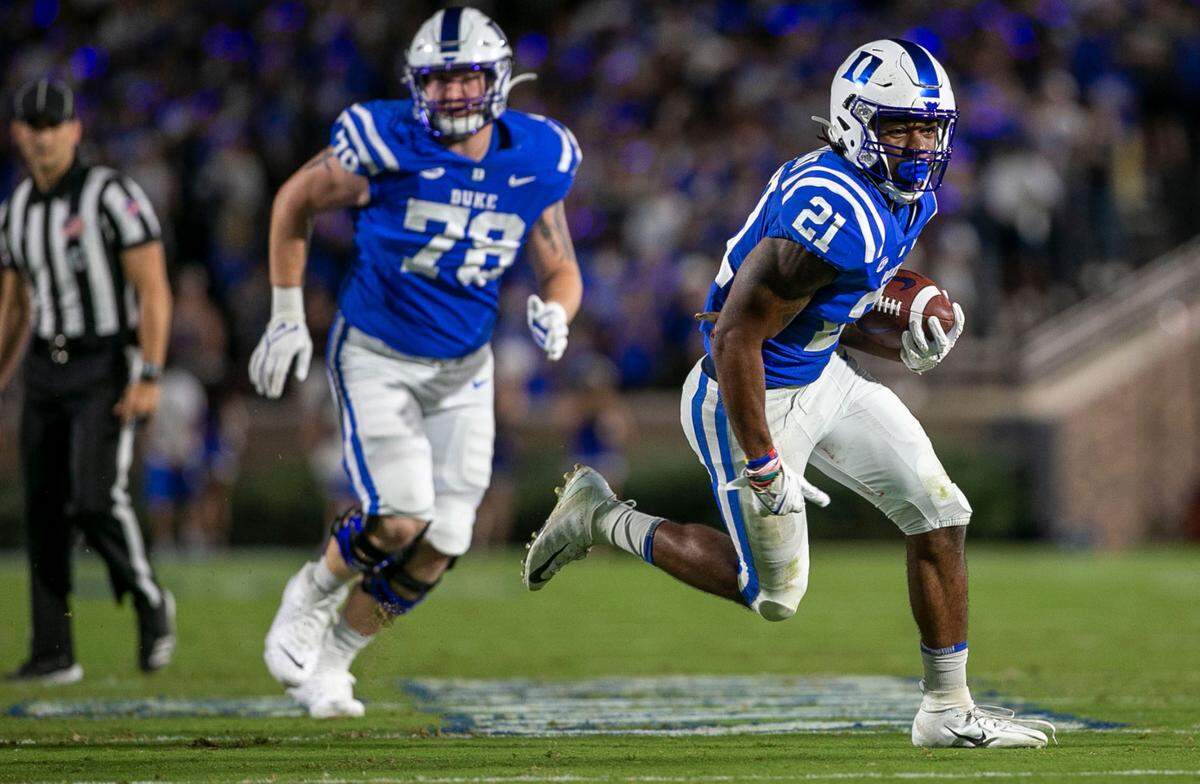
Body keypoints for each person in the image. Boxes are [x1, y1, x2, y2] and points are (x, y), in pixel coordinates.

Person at [522, 40, 1055, 749]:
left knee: (939, 509)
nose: (919, 143)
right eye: (899, 126)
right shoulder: (830, 207)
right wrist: (765, 462)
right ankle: (601, 516)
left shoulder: (907, 195)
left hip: (820, 373)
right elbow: (736, 337)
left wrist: (909, 329)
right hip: (746, 394)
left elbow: (834, 307)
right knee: (772, 595)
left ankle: (947, 712)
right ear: (852, 122)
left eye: (929, 127)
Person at [252, 7, 582, 717]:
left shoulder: (538, 155)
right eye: (438, 81)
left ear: (498, 81)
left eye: (467, 78)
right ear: (415, 86)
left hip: (465, 367)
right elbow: (293, 202)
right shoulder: (383, 141)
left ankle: (335, 661)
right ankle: (308, 594)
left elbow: (560, 266)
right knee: (400, 518)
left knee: (449, 537)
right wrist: (284, 314)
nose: (454, 95)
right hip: (377, 354)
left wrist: (559, 310)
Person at [0, 78, 175, 683]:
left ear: (74, 130)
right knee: (43, 510)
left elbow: (153, 287)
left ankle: (150, 600)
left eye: (54, 126)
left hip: (105, 362)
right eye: (33, 127)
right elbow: (16, 307)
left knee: (97, 497)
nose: (44, 138)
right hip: (45, 368)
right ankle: (53, 651)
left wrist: (148, 372)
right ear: (19, 133)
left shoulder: (109, 194)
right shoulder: (16, 209)